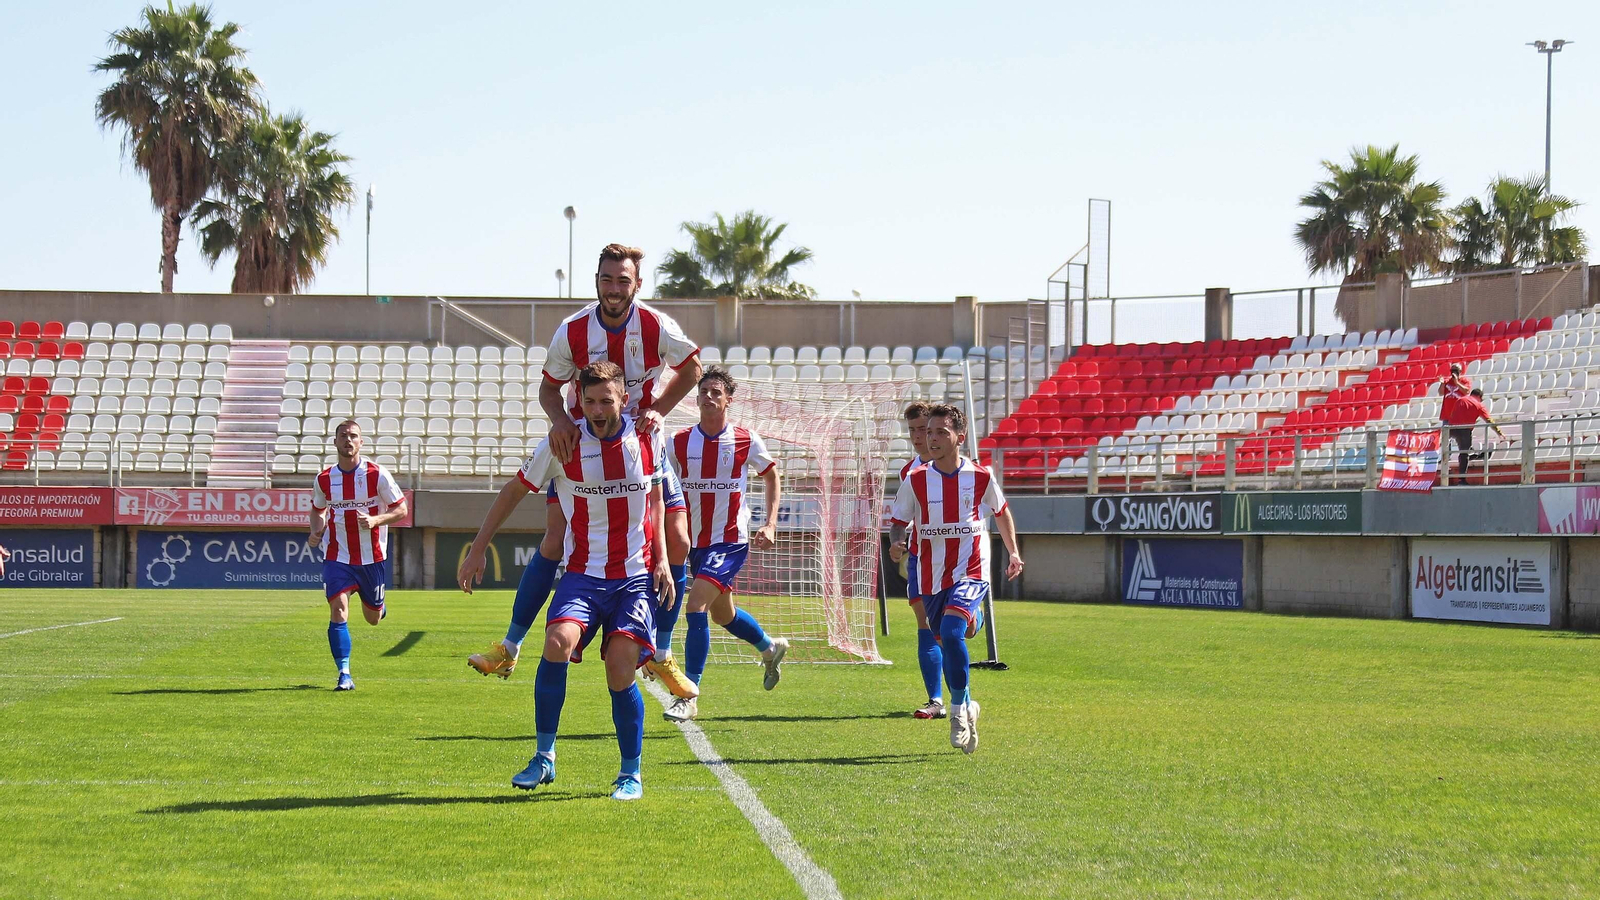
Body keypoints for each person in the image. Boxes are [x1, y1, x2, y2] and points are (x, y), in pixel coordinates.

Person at [461, 243, 702, 702]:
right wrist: (561, 423)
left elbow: (692, 369)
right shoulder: (573, 330)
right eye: (607, 280)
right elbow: (549, 390)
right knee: (555, 539)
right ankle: (510, 646)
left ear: (637, 284)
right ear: (597, 281)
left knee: (679, 538)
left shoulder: (654, 325)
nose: (614, 289)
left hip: (640, 444)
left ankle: (663, 653)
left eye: (623, 281)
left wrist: (658, 410)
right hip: (583, 442)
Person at [460, 361, 673, 800]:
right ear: (578, 399)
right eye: (589, 400)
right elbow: (512, 493)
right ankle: (544, 758)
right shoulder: (562, 443)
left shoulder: (648, 436)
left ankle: (630, 773)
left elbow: (655, 496)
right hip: (582, 574)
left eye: (606, 400)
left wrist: (664, 559)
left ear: (624, 399)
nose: (597, 409)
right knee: (556, 642)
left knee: (619, 668)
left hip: (633, 578)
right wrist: (478, 547)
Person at [888, 404, 1023, 755]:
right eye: (928, 433)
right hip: (931, 574)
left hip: (971, 568)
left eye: (940, 433)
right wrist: (897, 542)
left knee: (949, 633)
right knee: (947, 638)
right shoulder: (916, 479)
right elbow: (898, 520)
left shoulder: (980, 476)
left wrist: (1014, 553)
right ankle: (968, 702)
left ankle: (959, 708)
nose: (931, 439)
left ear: (959, 438)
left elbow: (1002, 512)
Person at [661, 366, 788, 721]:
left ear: (729, 400)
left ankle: (689, 694)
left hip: (730, 540)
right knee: (723, 614)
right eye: (704, 391)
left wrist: (771, 523)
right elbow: (663, 489)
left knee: (696, 606)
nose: (709, 397)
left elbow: (771, 474)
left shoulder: (746, 439)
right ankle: (768, 647)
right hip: (693, 544)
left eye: (717, 392)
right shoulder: (680, 442)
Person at [309, 420, 408, 692]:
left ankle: (379, 606)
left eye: (353, 436)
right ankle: (344, 673)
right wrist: (316, 530)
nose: (348, 440)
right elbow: (318, 510)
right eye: (343, 436)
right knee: (338, 609)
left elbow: (402, 510)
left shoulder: (377, 475)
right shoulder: (324, 479)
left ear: (361, 442)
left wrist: (377, 520)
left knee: (372, 618)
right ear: (335, 442)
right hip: (337, 556)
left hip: (371, 558)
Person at [896, 401, 945, 720]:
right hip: (920, 556)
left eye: (923, 429)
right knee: (925, 623)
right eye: (912, 430)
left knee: (957, 628)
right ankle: (936, 700)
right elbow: (900, 517)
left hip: (957, 558)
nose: (917, 436)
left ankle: (976, 617)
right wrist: (897, 540)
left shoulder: (959, 468)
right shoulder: (908, 472)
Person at [1444, 387, 1504, 476]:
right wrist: (1499, 433)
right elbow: (1489, 420)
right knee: (1464, 454)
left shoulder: (1460, 400)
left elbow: (1453, 414)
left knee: (1446, 449)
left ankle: (1444, 473)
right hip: (1465, 430)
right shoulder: (1478, 405)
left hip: (1451, 428)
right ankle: (1462, 478)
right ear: (1479, 397)